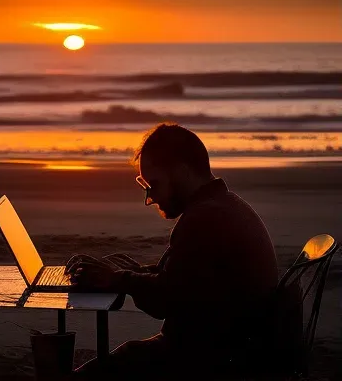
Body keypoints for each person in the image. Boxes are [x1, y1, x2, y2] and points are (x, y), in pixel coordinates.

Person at [66, 123, 279, 379]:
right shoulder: (223, 205)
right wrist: (133, 273)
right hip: (226, 346)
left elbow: (168, 300)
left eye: (153, 185)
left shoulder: (206, 217)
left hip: (209, 358)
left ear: (182, 172)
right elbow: (189, 282)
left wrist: (117, 279)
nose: (150, 198)